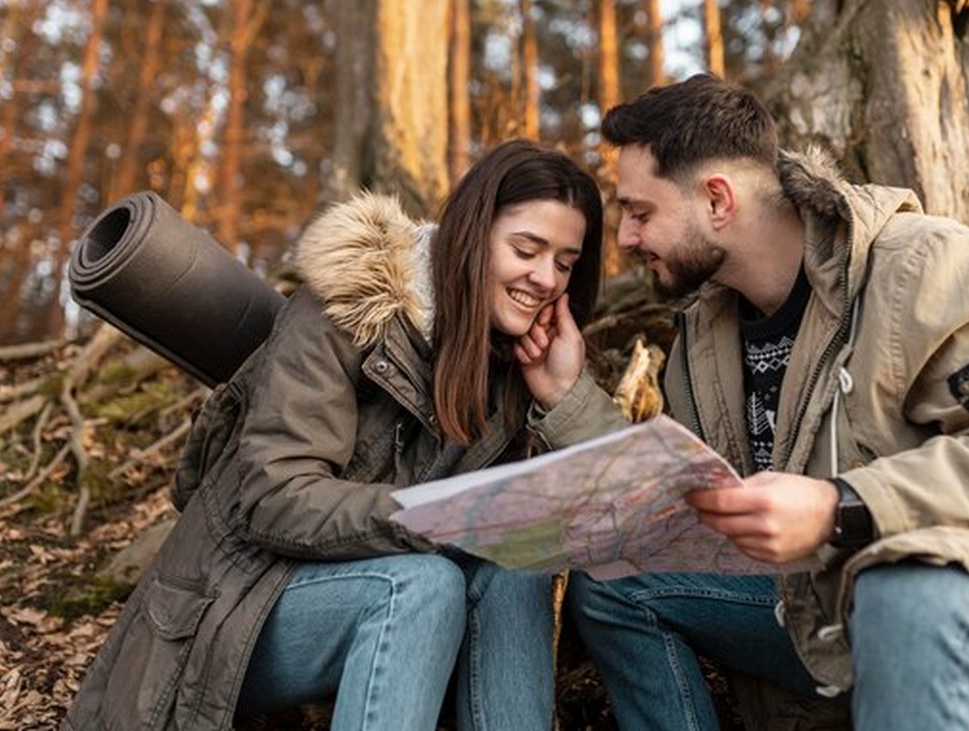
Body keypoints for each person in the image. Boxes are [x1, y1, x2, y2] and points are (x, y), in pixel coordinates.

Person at [516, 74, 969, 731]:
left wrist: (837, 504)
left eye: (641, 212)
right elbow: (678, 506)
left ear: (717, 199)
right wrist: (566, 395)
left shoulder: (931, 267)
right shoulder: (705, 335)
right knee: (617, 582)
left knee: (903, 594)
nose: (626, 240)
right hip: (821, 603)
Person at [63, 138, 604, 731]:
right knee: (422, 586)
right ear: (472, 235)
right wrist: (442, 516)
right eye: (527, 249)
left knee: (514, 569)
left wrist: (565, 397)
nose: (546, 277)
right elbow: (276, 499)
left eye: (565, 263)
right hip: (233, 610)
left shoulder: (515, 363)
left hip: (385, 602)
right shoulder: (343, 311)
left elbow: (613, 509)